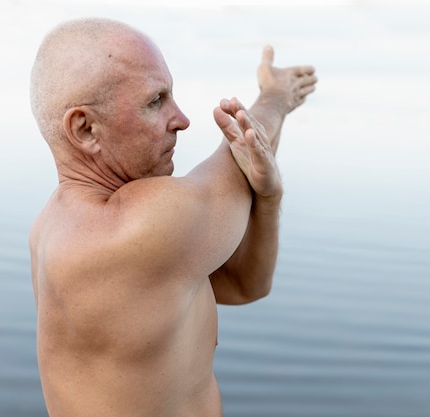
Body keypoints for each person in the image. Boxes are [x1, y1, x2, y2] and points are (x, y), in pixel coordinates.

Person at [29, 17, 317, 417]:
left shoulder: (53, 226)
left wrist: (268, 198)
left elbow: (244, 285)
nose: (181, 119)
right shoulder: (134, 230)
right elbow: (242, 153)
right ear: (85, 128)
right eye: (155, 101)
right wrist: (276, 95)